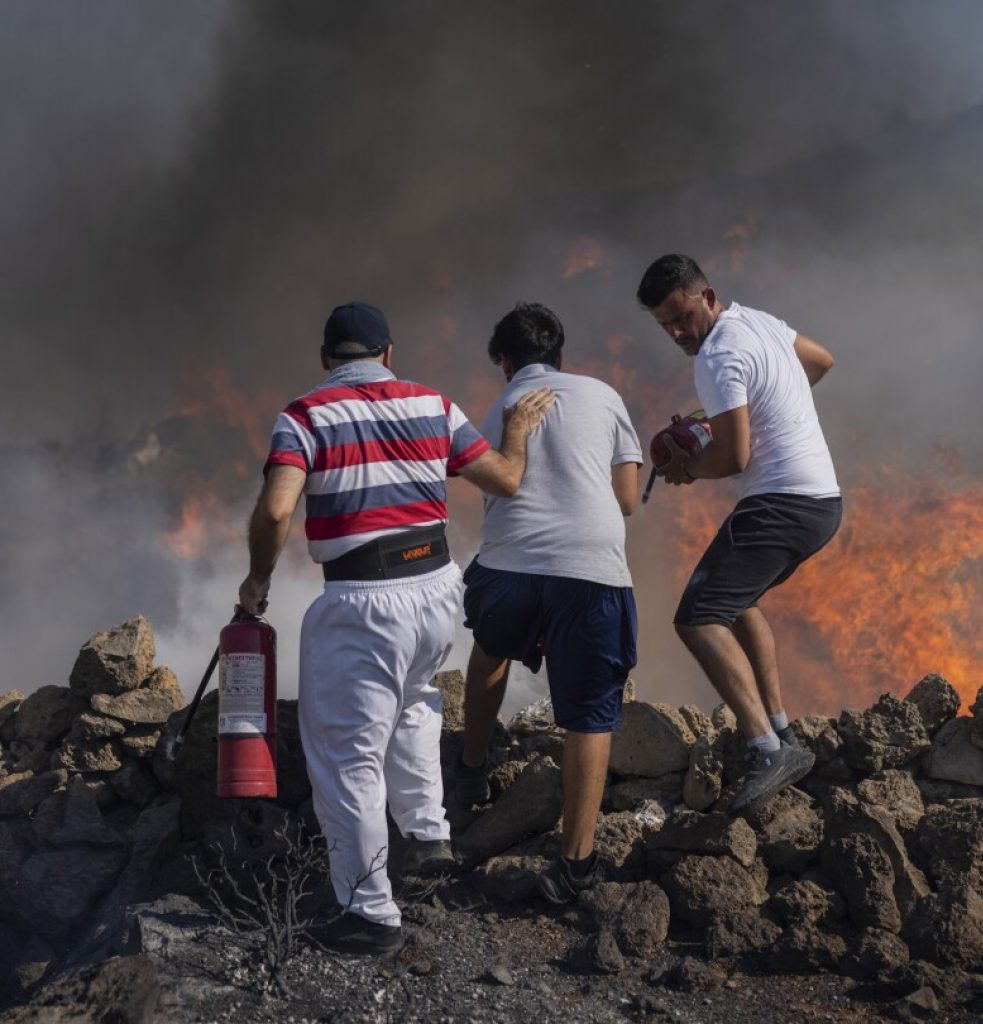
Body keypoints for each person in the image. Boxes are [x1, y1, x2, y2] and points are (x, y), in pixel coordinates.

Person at [237, 301, 553, 954]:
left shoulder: (305, 415)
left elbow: (274, 515)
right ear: (387, 354)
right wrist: (518, 430)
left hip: (362, 599)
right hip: (438, 588)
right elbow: (506, 477)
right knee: (416, 704)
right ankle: (428, 836)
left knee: (345, 753)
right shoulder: (432, 403)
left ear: (326, 359)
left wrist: (257, 581)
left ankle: (369, 912)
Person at [635, 254, 841, 814]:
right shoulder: (758, 322)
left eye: (681, 317)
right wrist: (764, 406)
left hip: (782, 501)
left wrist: (686, 469)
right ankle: (780, 729)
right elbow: (820, 362)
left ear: (707, 296)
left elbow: (734, 455)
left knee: (697, 619)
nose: (678, 333)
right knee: (736, 602)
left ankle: (766, 748)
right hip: (822, 500)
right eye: (665, 326)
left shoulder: (719, 354)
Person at [455, 302, 642, 904]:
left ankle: (472, 765)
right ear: (561, 356)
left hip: (508, 570)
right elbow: (629, 501)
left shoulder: (496, 407)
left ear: (505, 363)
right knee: (588, 713)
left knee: (490, 651)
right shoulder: (603, 394)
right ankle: (576, 864)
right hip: (591, 573)